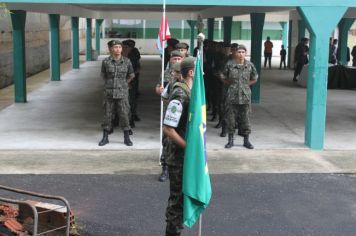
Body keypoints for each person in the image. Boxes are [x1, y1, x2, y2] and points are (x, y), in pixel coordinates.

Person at [163, 57, 195, 236]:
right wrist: (189, 147)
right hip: (178, 156)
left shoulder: (191, 92)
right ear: (191, 72)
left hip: (185, 155)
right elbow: (168, 129)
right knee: (177, 200)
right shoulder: (180, 94)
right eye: (199, 71)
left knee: (183, 198)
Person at [98, 40, 135, 146]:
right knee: (107, 115)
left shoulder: (127, 61)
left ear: (122, 49)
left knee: (124, 114)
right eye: (115, 47)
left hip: (122, 93)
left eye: (119, 47)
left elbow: (131, 75)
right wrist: (109, 84)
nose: (118, 49)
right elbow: (103, 75)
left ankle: (126, 137)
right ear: (111, 49)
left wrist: (123, 83)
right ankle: (105, 137)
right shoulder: (106, 61)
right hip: (108, 93)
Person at [221, 44, 258, 149]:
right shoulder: (230, 64)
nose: (241, 54)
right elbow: (223, 75)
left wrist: (246, 85)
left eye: (243, 52)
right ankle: (230, 140)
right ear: (235, 53)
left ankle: (246, 141)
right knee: (231, 119)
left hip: (245, 96)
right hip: (232, 96)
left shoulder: (250, 65)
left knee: (245, 119)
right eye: (239, 52)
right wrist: (230, 84)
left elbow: (255, 78)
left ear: (246, 53)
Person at [155, 50, 184, 182]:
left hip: (184, 113)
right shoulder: (165, 73)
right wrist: (159, 90)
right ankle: (165, 168)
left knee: (182, 137)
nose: (177, 61)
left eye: (179, 59)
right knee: (166, 140)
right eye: (174, 59)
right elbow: (158, 89)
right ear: (170, 60)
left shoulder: (188, 75)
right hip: (169, 112)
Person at [123, 40, 141, 128]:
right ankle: (116, 119)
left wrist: (129, 80)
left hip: (132, 81)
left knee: (131, 100)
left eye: (128, 47)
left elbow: (138, 68)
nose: (125, 49)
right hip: (120, 83)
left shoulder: (134, 54)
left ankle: (131, 118)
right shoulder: (119, 55)